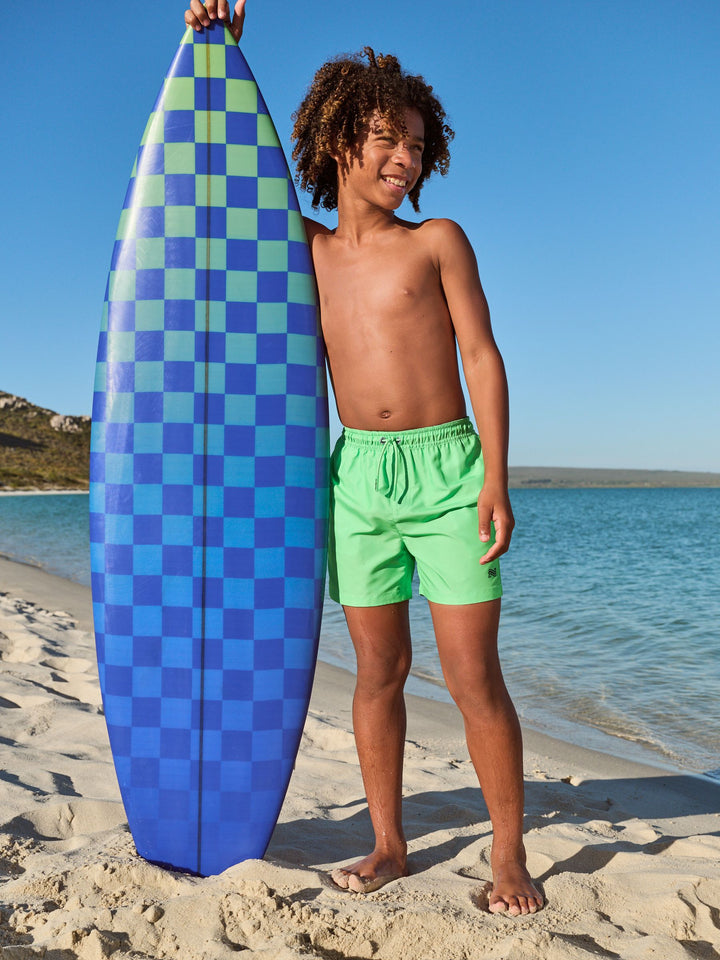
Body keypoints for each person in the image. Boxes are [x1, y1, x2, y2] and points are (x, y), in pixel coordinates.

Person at [185, 0, 544, 916]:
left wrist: (496, 477)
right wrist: (217, 52)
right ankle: (389, 842)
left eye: (417, 146)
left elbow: (482, 357)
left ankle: (509, 855)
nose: (405, 159)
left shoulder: (437, 242)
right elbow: (229, 180)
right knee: (378, 671)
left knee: (472, 675)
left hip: (448, 473)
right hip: (357, 479)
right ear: (338, 139)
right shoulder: (302, 249)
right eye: (387, 138)